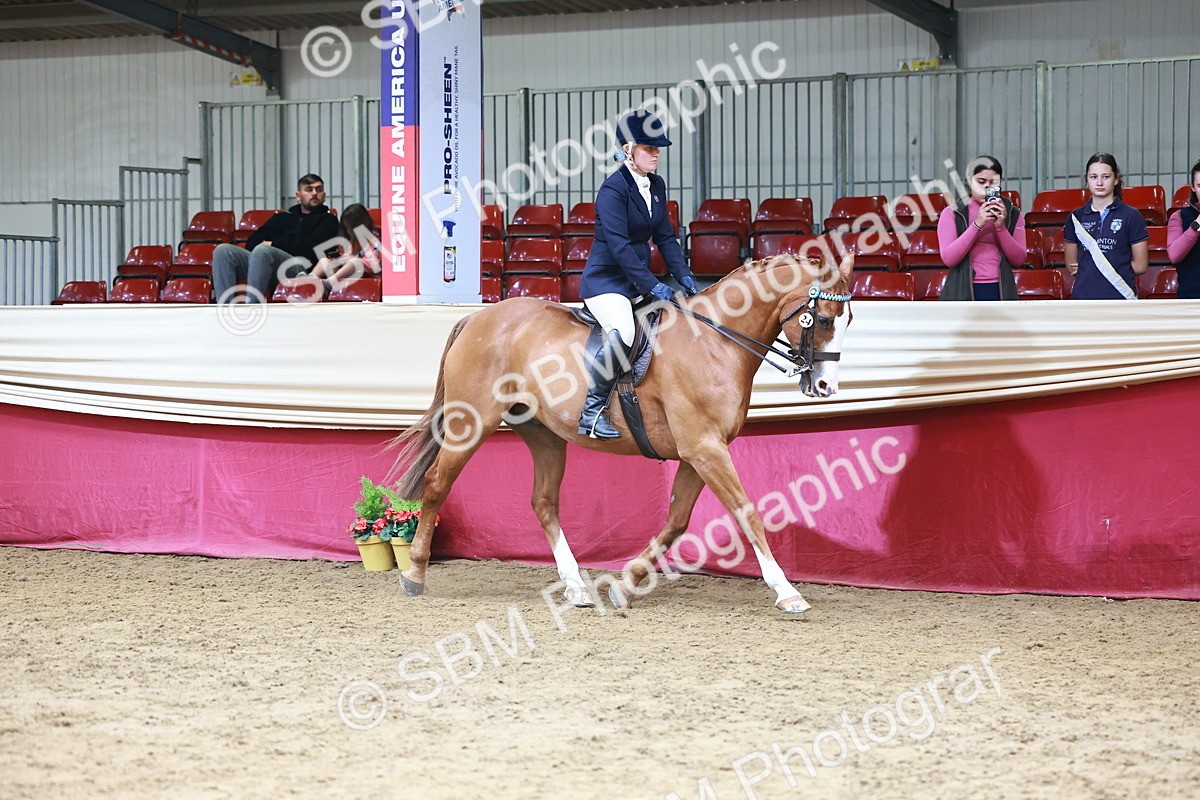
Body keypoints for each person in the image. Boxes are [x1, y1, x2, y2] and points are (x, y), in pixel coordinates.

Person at [576, 109, 697, 439]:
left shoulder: (656, 185)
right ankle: (592, 412)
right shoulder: (612, 190)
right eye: (649, 148)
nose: (656, 154)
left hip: (636, 281)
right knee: (625, 332)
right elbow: (620, 248)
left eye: (658, 149)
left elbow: (665, 237)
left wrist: (685, 276)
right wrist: (653, 285)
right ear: (629, 150)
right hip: (607, 282)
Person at [212, 174, 340, 303]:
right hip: (265, 263)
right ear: (298, 196)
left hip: (301, 268)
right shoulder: (281, 218)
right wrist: (284, 245)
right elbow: (252, 242)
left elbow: (311, 248)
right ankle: (224, 306)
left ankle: (253, 305)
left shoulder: (329, 221)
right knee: (223, 251)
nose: (314, 193)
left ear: (324, 195)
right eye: (309, 189)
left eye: (319, 190)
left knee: (263, 251)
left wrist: (274, 244)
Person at [937, 155, 1027, 301]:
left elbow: (1019, 259)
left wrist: (1000, 228)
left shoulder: (1013, 213)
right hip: (962, 289)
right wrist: (976, 225)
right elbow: (949, 259)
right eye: (981, 182)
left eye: (993, 182)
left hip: (1001, 288)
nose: (986, 187)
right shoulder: (952, 213)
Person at [1063, 153, 1148, 300]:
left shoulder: (1131, 215)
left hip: (1121, 296)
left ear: (1116, 179)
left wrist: (1104, 272)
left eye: (1106, 177)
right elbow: (1071, 265)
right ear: (1087, 180)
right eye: (1093, 177)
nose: (1099, 182)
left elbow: (1141, 266)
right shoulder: (1075, 218)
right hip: (1084, 298)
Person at [306, 203, 381, 287]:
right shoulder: (353, 242)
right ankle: (309, 279)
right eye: (346, 228)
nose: (348, 231)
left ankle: (328, 283)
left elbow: (374, 265)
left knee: (355, 262)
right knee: (324, 261)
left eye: (350, 228)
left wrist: (352, 260)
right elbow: (347, 258)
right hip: (348, 273)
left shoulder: (374, 239)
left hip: (368, 275)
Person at [1167, 158, 1200, 299]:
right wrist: (1196, 226)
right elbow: (1174, 255)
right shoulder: (1179, 216)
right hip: (1191, 298)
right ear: (1192, 187)